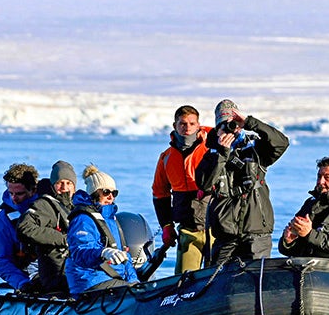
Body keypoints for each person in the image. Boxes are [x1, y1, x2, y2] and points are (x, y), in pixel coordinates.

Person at [195, 99, 289, 265]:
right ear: (217, 128)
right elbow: (204, 184)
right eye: (225, 125)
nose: (231, 129)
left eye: (234, 124)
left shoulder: (256, 149)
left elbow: (281, 143)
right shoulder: (211, 155)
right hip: (225, 235)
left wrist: (250, 122)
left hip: (256, 233)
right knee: (217, 282)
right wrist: (222, 154)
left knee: (255, 281)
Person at [152, 105, 212, 274]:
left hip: (216, 229)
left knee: (216, 278)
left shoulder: (212, 149)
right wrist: (166, 225)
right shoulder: (166, 157)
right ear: (175, 126)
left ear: (198, 125)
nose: (187, 128)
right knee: (183, 280)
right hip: (188, 229)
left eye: (192, 124)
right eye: (183, 124)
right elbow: (159, 193)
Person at [65, 164, 138, 294]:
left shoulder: (111, 220)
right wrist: (103, 252)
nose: (111, 196)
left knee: (141, 289)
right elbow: (79, 252)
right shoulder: (83, 219)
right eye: (106, 192)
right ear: (94, 193)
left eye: (114, 193)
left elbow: (125, 256)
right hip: (90, 281)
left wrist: (134, 282)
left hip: (113, 279)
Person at [17, 160, 77, 295]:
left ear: (74, 186)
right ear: (53, 185)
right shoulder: (44, 205)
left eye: (69, 183)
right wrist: (63, 239)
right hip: (56, 274)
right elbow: (24, 227)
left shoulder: (77, 207)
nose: (64, 187)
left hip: (78, 270)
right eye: (60, 183)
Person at [0, 162, 41, 291]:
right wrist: (22, 283)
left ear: (33, 190)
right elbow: (0, 258)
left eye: (19, 194)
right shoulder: (3, 220)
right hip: (26, 278)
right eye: (10, 193)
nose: (14, 198)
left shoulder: (50, 209)